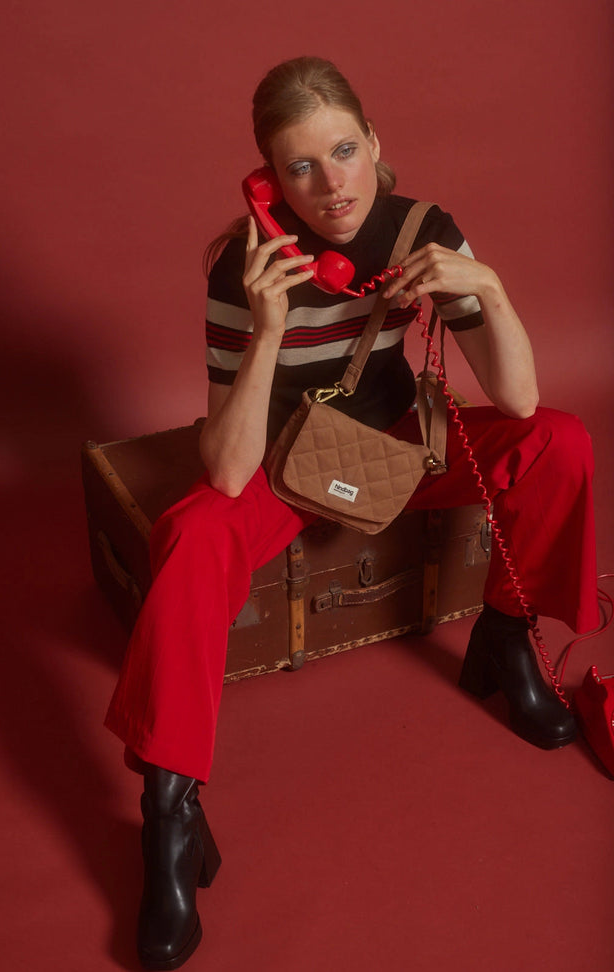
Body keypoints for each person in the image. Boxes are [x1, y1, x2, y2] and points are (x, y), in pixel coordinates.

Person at [104, 56, 599, 970]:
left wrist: (486, 286)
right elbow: (227, 469)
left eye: (343, 151)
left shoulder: (422, 232)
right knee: (191, 532)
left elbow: (521, 402)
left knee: (560, 441)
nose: (332, 185)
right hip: (284, 464)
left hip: (394, 449)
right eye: (300, 166)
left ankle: (504, 639)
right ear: (268, 181)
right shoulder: (243, 268)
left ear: (373, 142)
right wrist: (267, 330)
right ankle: (170, 816)